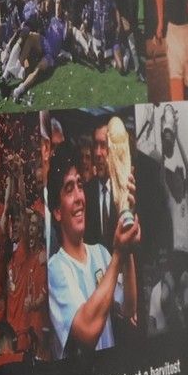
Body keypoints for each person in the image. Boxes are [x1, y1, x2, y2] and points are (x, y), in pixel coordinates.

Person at [46, 149, 137, 355]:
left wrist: (127, 236)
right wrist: (118, 255)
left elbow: (129, 307)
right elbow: (87, 331)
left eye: (80, 185)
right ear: (57, 212)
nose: (79, 197)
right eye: (69, 189)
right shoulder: (55, 269)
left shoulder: (100, 253)